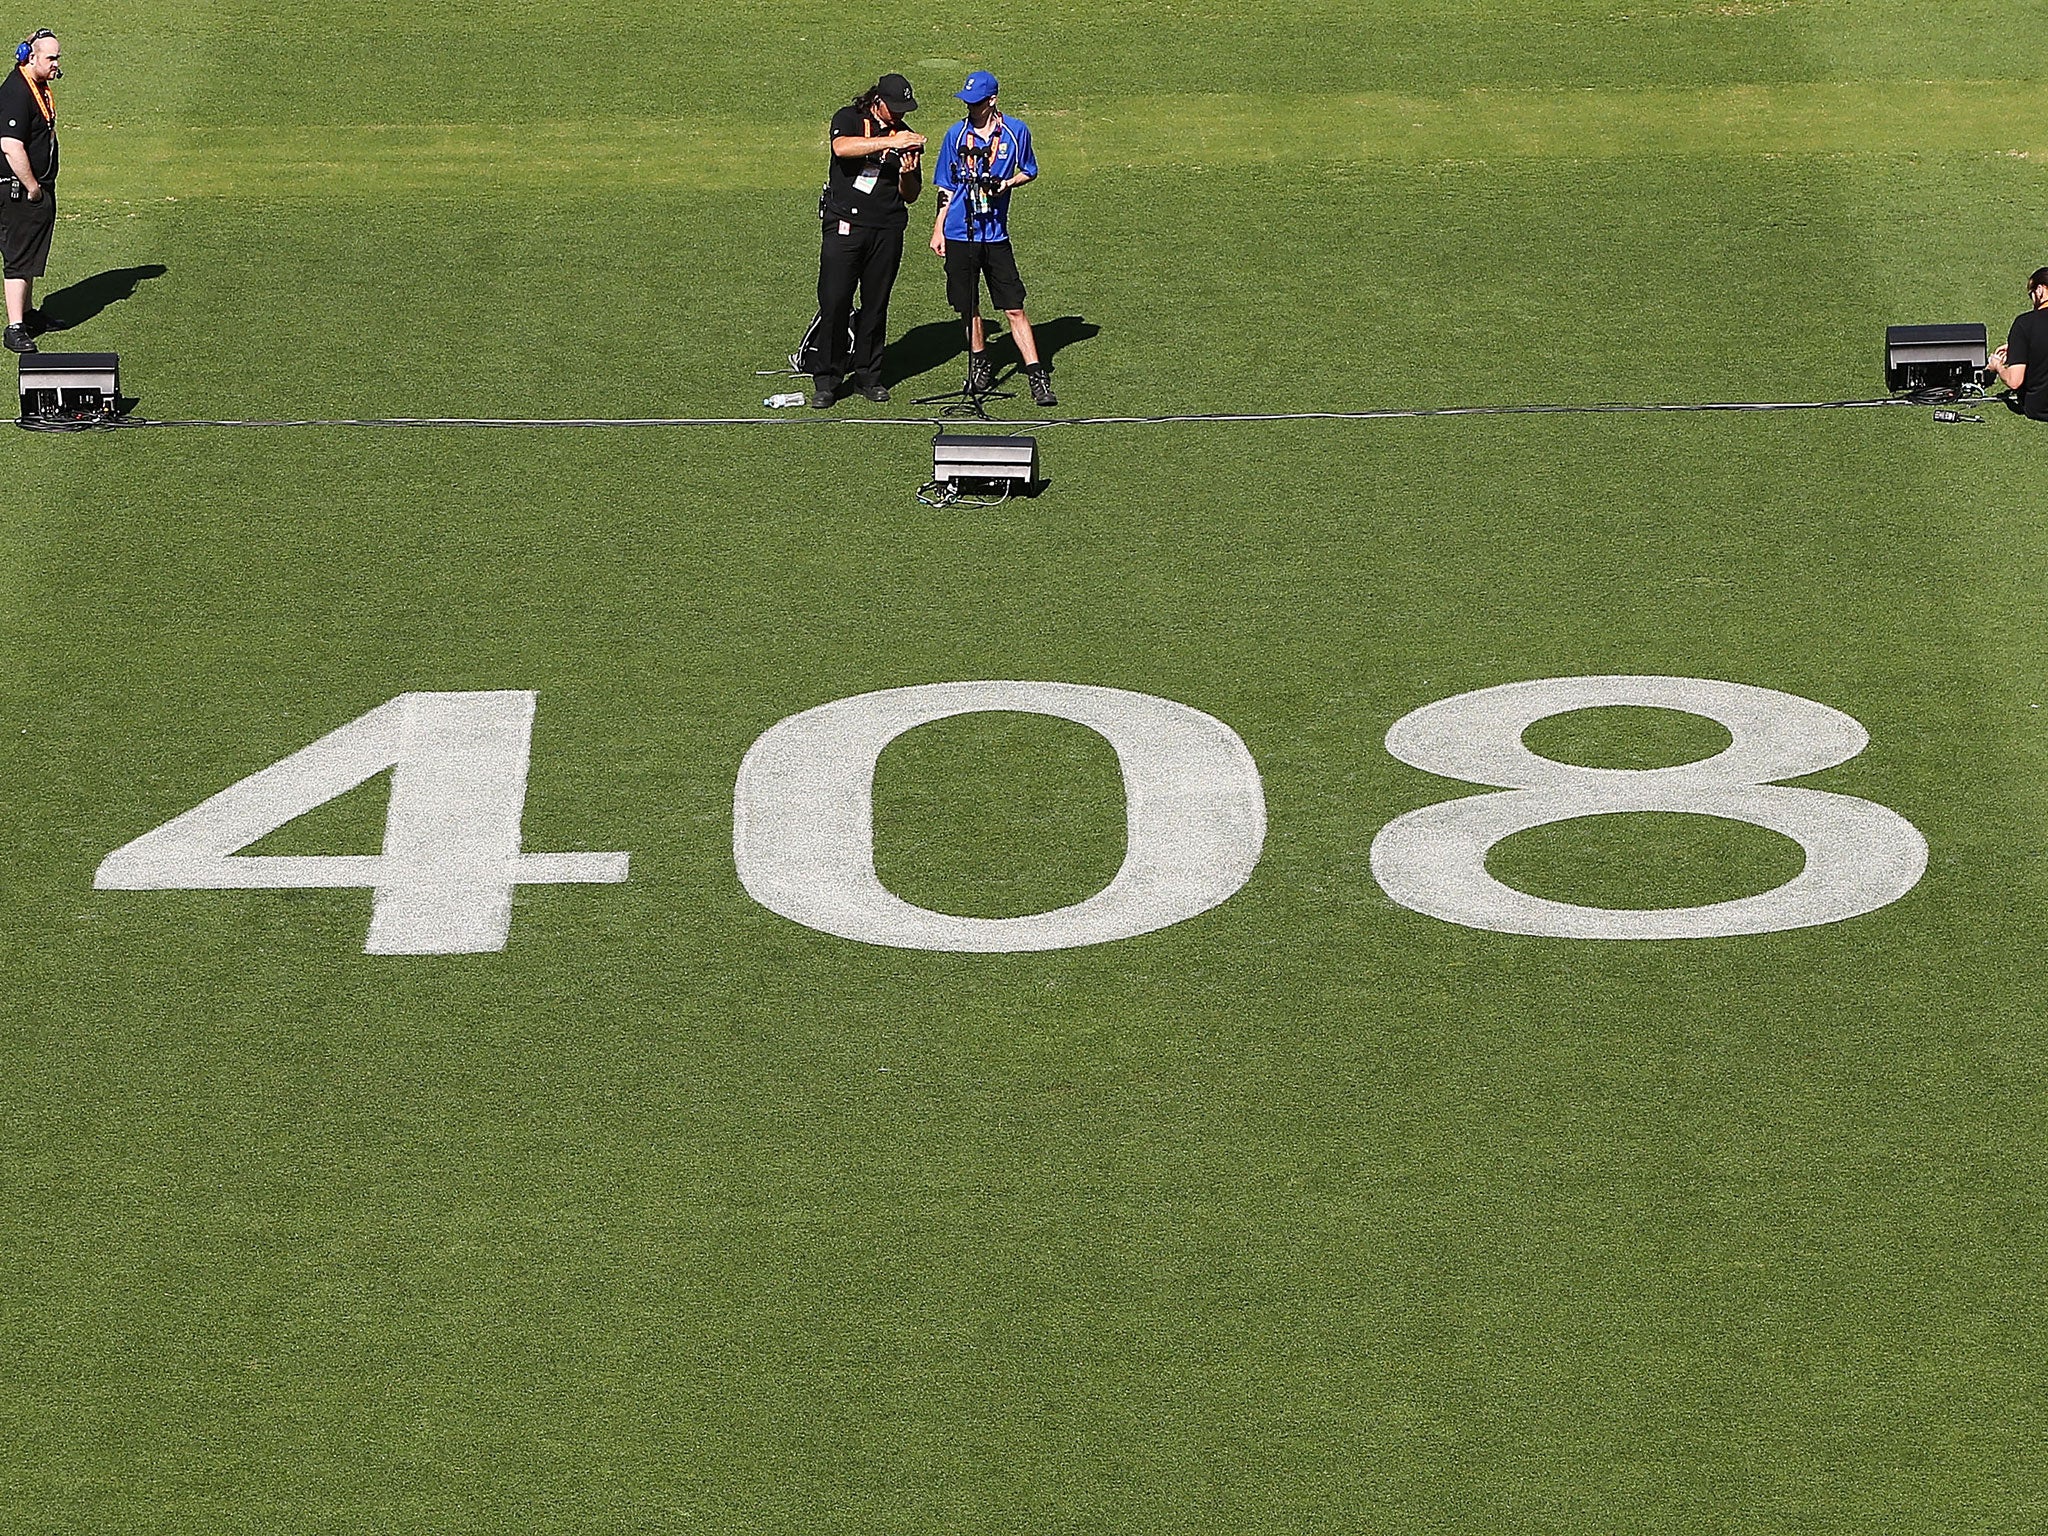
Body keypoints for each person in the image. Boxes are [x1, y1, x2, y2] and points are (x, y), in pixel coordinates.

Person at [929, 70, 1056, 407]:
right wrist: (939, 227)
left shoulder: (1016, 132)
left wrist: (1007, 185)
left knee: (1014, 307)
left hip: (995, 235)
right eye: (967, 102)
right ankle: (980, 361)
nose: (970, 108)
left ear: (992, 100)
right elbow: (946, 185)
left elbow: (1029, 170)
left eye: (976, 102)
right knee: (968, 306)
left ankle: (1036, 374)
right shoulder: (956, 135)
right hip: (960, 232)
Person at [813, 73, 924, 408]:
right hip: (845, 225)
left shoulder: (906, 136)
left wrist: (906, 173)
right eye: (894, 108)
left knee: (876, 304)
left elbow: (912, 194)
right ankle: (827, 380)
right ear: (878, 100)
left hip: (886, 229)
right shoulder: (848, 118)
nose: (900, 115)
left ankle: (868, 375)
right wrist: (888, 142)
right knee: (835, 301)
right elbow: (842, 147)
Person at [0, 28, 60, 355]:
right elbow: (10, 146)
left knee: (30, 254)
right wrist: (33, 187)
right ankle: (14, 328)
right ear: (30, 56)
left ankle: (27, 314)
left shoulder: (36, 86)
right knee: (18, 259)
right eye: (50, 58)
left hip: (34, 190)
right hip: (18, 192)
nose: (56, 63)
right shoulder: (15, 92)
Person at [1987, 268, 2048, 420]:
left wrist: (1998, 366)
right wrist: (2021, 347)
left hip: (2040, 408)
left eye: (2031, 294)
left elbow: (2014, 381)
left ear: (2040, 290)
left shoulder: (2025, 324)